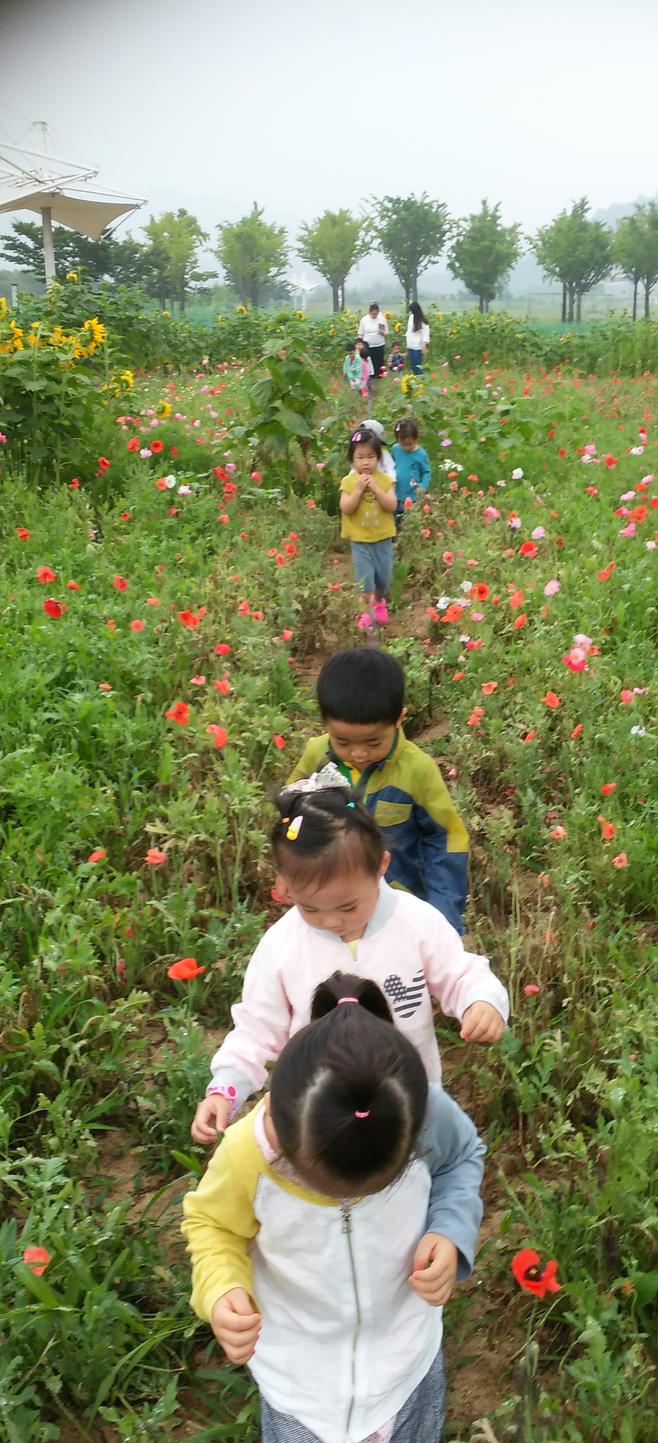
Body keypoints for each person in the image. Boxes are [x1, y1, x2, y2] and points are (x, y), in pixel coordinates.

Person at [183, 971, 485, 1443]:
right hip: (301, 1373)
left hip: (407, 1355)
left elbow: (463, 1159)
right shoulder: (248, 1155)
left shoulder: (423, 1114)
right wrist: (221, 1291)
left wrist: (452, 1233)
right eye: (330, 1187)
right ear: (285, 1136)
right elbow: (210, 1224)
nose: (349, 1199)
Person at [190, 776, 506, 1143]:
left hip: (405, 1104)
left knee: (412, 1179)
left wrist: (481, 1000)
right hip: (319, 1113)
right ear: (285, 886)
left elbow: (459, 972)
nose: (332, 921)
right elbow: (257, 1029)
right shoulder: (281, 946)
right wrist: (225, 1089)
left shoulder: (415, 922)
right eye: (311, 908)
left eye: (348, 906)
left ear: (381, 866)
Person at [286, 647, 469, 931]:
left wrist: (443, 916)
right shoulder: (316, 756)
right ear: (325, 724)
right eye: (343, 742)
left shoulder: (417, 770)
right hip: (332, 907)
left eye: (373, 743)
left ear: (399, 719)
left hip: (400, 910)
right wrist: (287, 869)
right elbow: (291, 815)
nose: (358, 754)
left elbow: (446, 840)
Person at [340, 427, 396, 633]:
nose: (365, 462)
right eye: (360, 457)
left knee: (383, 577)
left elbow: (391, 505)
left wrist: (376, 489)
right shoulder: (348, 482)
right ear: (352, 460)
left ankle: (379, 602)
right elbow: (346, 507)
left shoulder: (384, 480)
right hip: (360, 540)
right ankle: (366, 610)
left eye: (371, 457)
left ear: (378, 458)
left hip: (382, 539)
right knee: (365, 580)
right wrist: (358, 489)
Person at [391, 417, 431, 533]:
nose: (407, 447)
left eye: (410, 444)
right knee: (394, 521)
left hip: (412, 495)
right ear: (398, 440)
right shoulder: (395, 449)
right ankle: (395, 543)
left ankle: (408, 541)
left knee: (410, 521)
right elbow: (391, 465)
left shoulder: (421, 454)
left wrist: (422, 486)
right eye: (403, 444)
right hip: (396, 493)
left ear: (416, 439)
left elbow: (427, 472)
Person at [361, 417, 397, 482]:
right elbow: (354, 470)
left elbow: (390, 469)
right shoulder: (358, 454)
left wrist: (389, 482)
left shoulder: (383, 454)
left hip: (381, 484)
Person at [357, 302, 388, 379]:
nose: (374, 315)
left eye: (376, 314)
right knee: (369, 361)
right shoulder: (364, 320)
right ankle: (369, 375)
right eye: (372, 314)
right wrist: (359, 345)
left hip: (379, 344)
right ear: (369, 312)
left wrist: (383, 333)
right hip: (368, 345)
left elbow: (386, 331)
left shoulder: (381, 318)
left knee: (379, 361)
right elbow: (360, 333)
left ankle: (379, 375)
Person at [405, 303, 430, 374]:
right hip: (410, 346)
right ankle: (416, 382)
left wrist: (424, 347)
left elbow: (425, 336)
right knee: (413, 367)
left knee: (418, 368)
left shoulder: (423, 321)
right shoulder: (411, 317)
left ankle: (421, 382)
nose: (411, 312)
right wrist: (407, 346)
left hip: (417, 348)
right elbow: (408, 332)